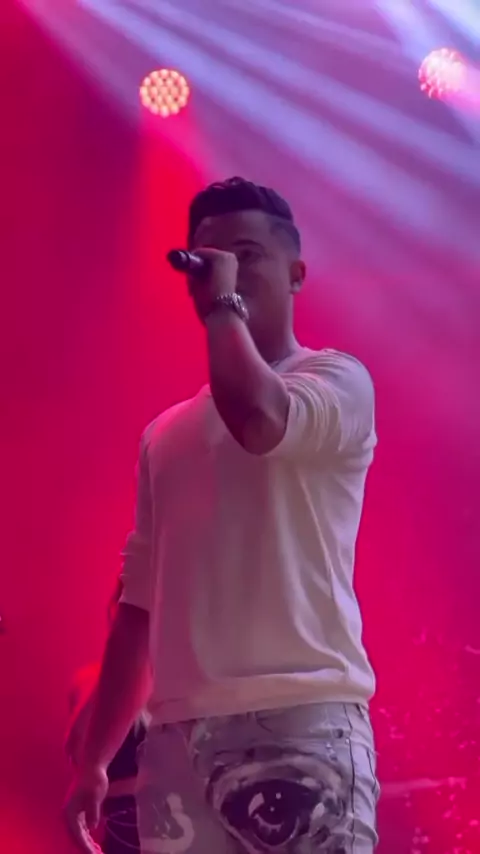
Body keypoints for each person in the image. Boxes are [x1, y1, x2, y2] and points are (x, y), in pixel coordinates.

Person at [64, 177, 379, 853]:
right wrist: (96, 759)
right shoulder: (164, 435)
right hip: (176, 741)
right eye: (208, 260)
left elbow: (259, 420)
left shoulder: (337, 381)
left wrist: (223, 307)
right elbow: (139, 608)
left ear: (297, 274)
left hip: (300, 722)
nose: (225, 272)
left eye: (246, 255)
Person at [65, 581, 147, 854]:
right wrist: (117, 670)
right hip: (124, 826)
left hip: (181, 821)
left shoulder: (181, 686)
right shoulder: (87, 680)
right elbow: (78, 750)